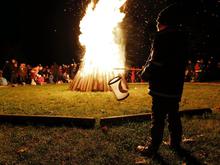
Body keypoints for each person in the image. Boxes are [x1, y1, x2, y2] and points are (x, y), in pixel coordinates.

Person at [137, 3, 189, 157]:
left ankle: (153, 147)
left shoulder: (162, 37)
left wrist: (145, 73)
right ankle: (175, 142)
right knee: (173, 113)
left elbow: (156, 62)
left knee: (158, 117)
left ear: (162, 22)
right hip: (175, 85)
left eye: (158, 23)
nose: (157, 26)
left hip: (161, 86)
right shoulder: (183, 38)